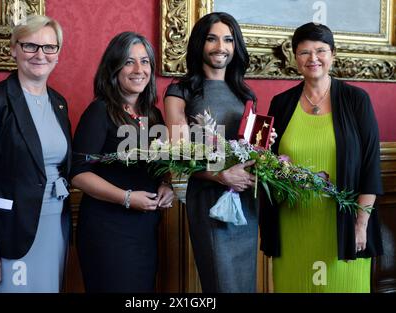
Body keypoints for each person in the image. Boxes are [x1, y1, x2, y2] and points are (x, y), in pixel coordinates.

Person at [261, 22, 383, 292]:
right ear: (295, 58)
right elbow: (266, 164)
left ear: (333, 54)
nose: (313, 58)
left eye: (320, 50)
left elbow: (370, 166)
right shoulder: (281, 104)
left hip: (343, 227)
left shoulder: (356, 100)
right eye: (304, 52)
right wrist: (271, 162)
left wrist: (361, 224)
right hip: (292, 226)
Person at [0, 15, 72, 292]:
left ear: (58, 53)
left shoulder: (59, 103)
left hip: (53, 225)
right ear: (13, 49)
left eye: (49, 47)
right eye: (30, 46)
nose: (40, 55)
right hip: (7, 232)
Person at [70, 32, 174, 293]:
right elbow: (79, 173)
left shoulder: (153, 114)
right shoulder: (99, 112)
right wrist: (126, 197)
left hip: (145, 228)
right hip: (107, 230)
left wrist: (166, 185)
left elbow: (159, 167)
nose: (139, 70)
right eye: (129, 62)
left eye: (145, 61)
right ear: (114, 67)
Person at [164, 12, 259, 292]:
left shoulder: (245, 94)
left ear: (236, 46)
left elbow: (249, 147)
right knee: (222, 282)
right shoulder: (180, 92)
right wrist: (220, 176)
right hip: (209, 198)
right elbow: (178, 155)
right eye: (212, 39)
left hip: (245, 199)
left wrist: (265, 143)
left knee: (245, 283)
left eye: (228, 40)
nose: (221, 46)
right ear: (199, 44)